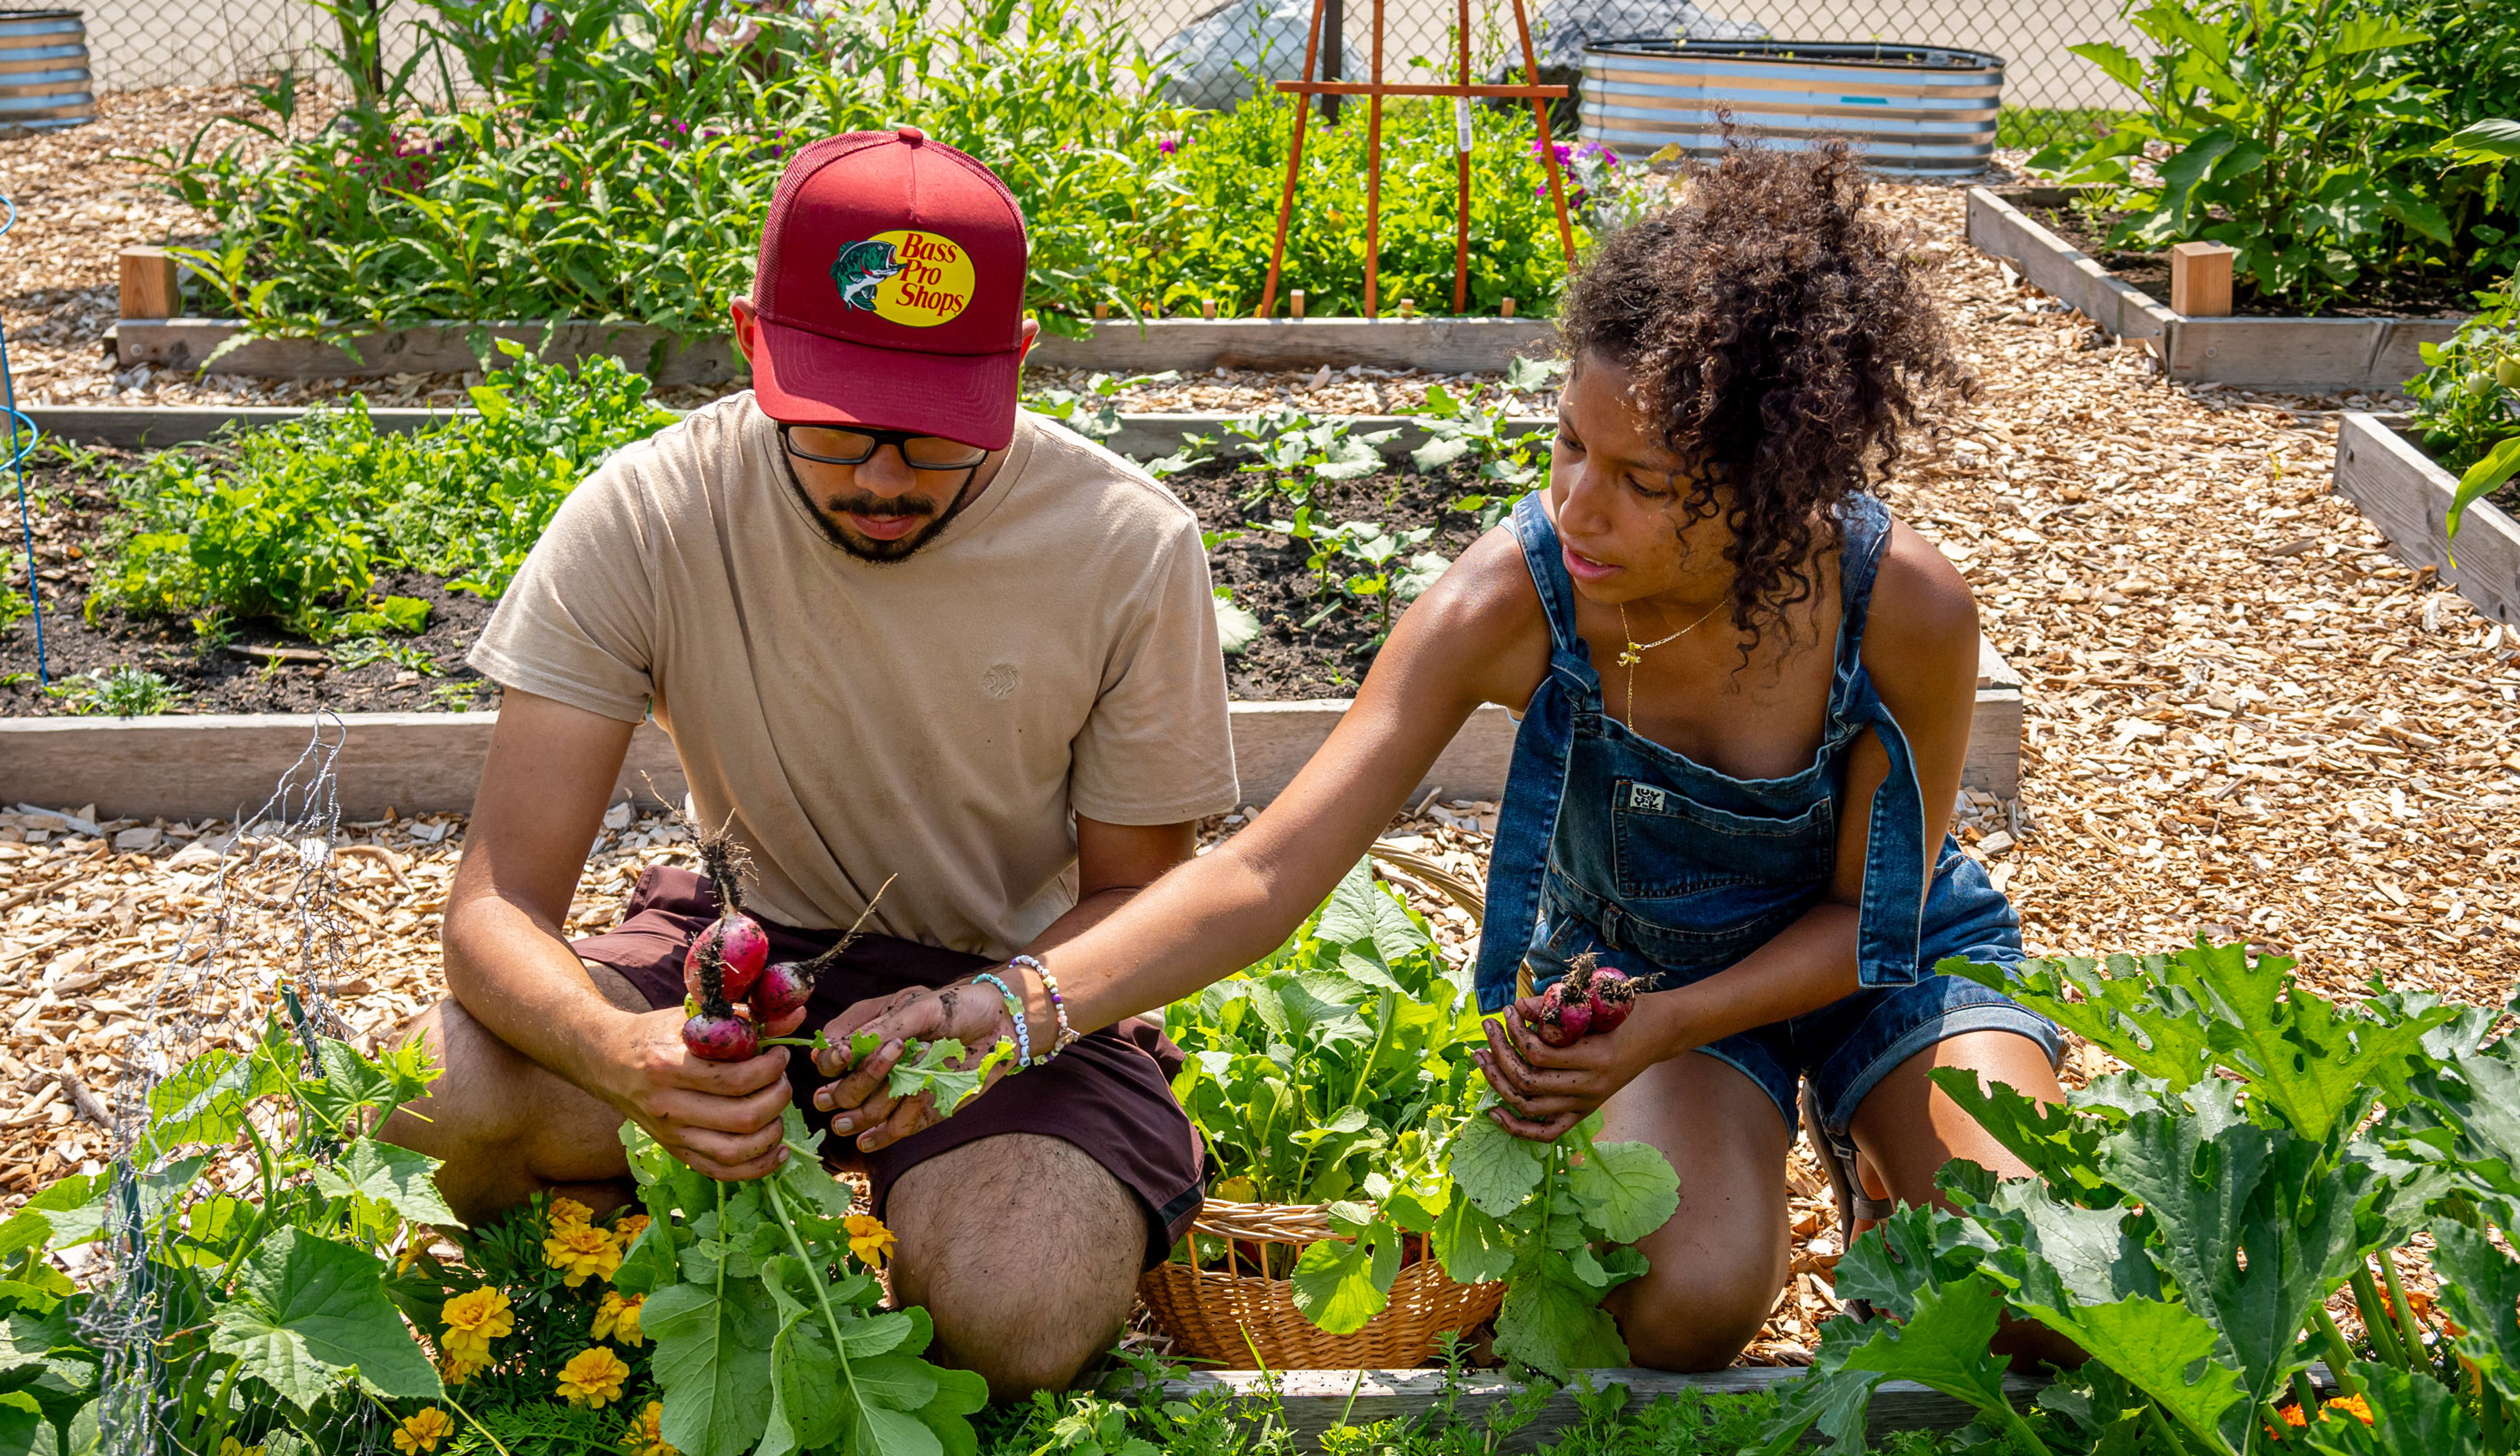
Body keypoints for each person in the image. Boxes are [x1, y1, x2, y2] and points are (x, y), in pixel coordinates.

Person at [808, 140, 2070, 1372]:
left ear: (1772, 490)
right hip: (1639, 986)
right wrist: (1012, 1007)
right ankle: (1816, 1147)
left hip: (1883, 960)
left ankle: (1880, 1154)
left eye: (1645, 479)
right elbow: (1264, 872)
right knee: (1690, 1309)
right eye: (1571, 444)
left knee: (2038, 1290)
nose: (1578, 504)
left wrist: (1673, 1023)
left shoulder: (1901, 609)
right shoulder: (1513, 599)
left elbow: (1872, 921)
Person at [385, 128, 1241, 1397]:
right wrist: (625, 1060)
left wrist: (995, 1020)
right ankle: (646, 1262)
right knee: (436, 1100)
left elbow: (1135, 896)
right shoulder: (647, 511)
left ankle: (847, 1240)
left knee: (1022, 1308)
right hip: (745, 959)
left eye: (938, 433)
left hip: (1006, 1000)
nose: (886, 479)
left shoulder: (1125, 543)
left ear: (1016, 363)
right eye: (837, 431)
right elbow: (496, 906)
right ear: (751, 344)